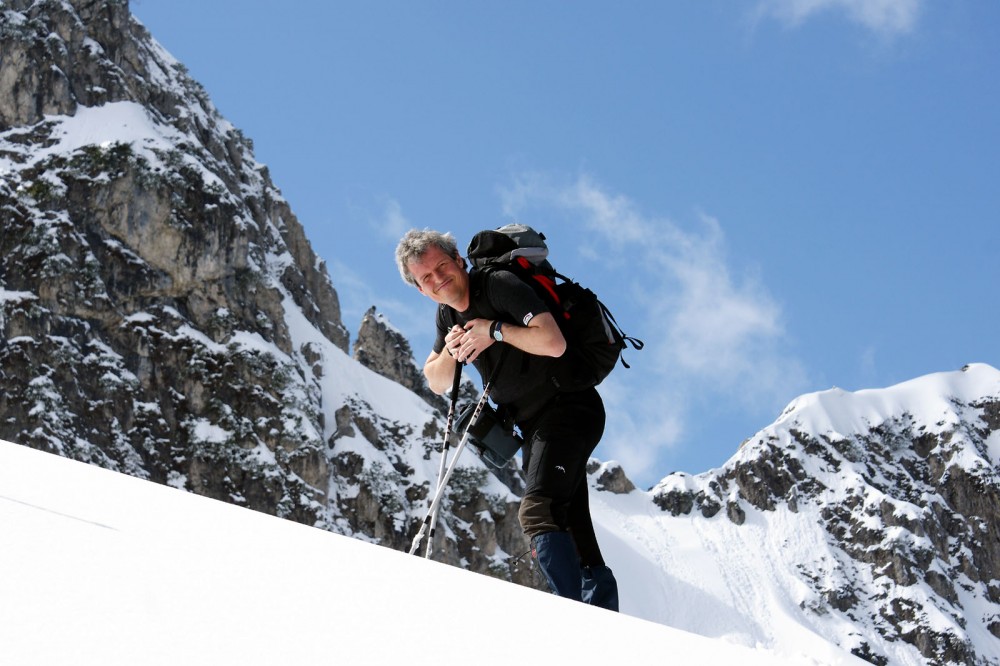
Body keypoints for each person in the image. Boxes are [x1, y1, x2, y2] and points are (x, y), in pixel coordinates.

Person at [395, 228, 619, 611]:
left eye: (442, 266)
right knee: (573, 529)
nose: (438, 279)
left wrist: (493, 331)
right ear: (419, 288)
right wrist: (452, 350)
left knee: (538, 510)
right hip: (534, 427)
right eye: (426, 277)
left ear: (458, 261)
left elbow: (553, 342)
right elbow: (436, 380)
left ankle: (576, 619)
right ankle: (603, 620)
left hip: (569, 408)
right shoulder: (447, 314)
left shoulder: (498, 286)